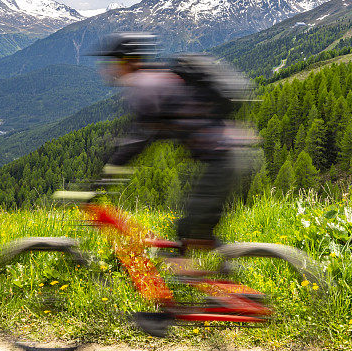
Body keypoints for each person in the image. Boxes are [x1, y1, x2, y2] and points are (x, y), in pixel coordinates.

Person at [93, 32, 246, 260]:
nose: (109, 68)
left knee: (190, 233)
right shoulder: (156, 80)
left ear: (127, 62)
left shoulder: (145, 85)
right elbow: (145, 135)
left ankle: (231, 288)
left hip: (223, 160)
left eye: (113, 61)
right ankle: (195, 278)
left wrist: (102, 178)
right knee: (186, 235)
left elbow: (138, 140)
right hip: (225, 156)